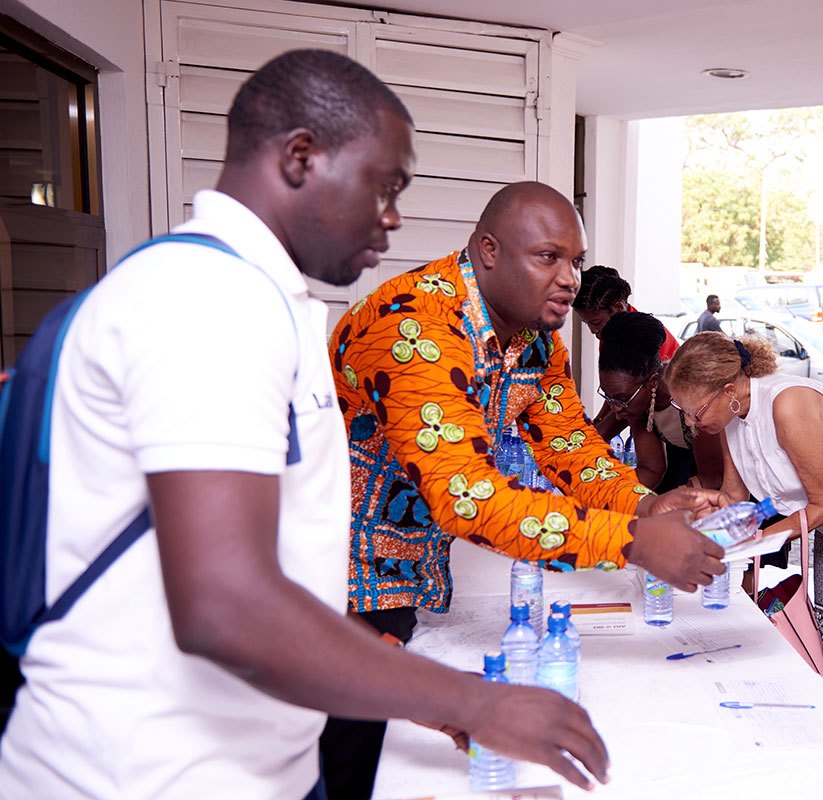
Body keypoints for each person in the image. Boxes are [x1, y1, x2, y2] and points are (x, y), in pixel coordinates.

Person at [0, 50, 610, 799]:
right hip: (142, 774)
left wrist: (407, 685)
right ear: (300, 157)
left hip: (243, 758)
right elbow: (226, 604)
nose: (393, 217)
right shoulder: (204, 302)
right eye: (383, 187)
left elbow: (274, 568)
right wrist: (472, 700)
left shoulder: (263, 302)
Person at [324, 180, 726, 798]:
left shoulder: (536, 341)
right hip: (332, 584)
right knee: (347, 760)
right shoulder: (412, 326)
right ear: (489, 250)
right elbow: (466, 496)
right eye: (548, 257)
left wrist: (646, 504)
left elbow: (569, 446)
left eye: (576, 262)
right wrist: (631, 540)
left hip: (402, 574)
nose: (569, 279)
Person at [665, 331, 823, 747]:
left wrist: (759, 539)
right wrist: (695, 519)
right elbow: (733, 496)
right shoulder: (731, 420)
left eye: (696, 411)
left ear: (728, 390)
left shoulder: (787, 404)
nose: (692, 424)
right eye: (684, 412)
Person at [597, 311, 724, 491]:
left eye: (622, 399)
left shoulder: (693, 395)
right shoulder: (635, 403)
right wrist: (605, 491)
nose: (615, 408)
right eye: (608, 396)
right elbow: (651, 469)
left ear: (653, 382)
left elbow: (713, 478)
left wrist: (667, 502)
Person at [573, 264, 679, 441]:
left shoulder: (642, 339)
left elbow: (628, 400)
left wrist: (593, 438)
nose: (592, 330)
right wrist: (596, 423)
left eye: (596, 322)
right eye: (587, 324)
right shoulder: (609, 334)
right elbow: (617, 393)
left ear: (618, 307)